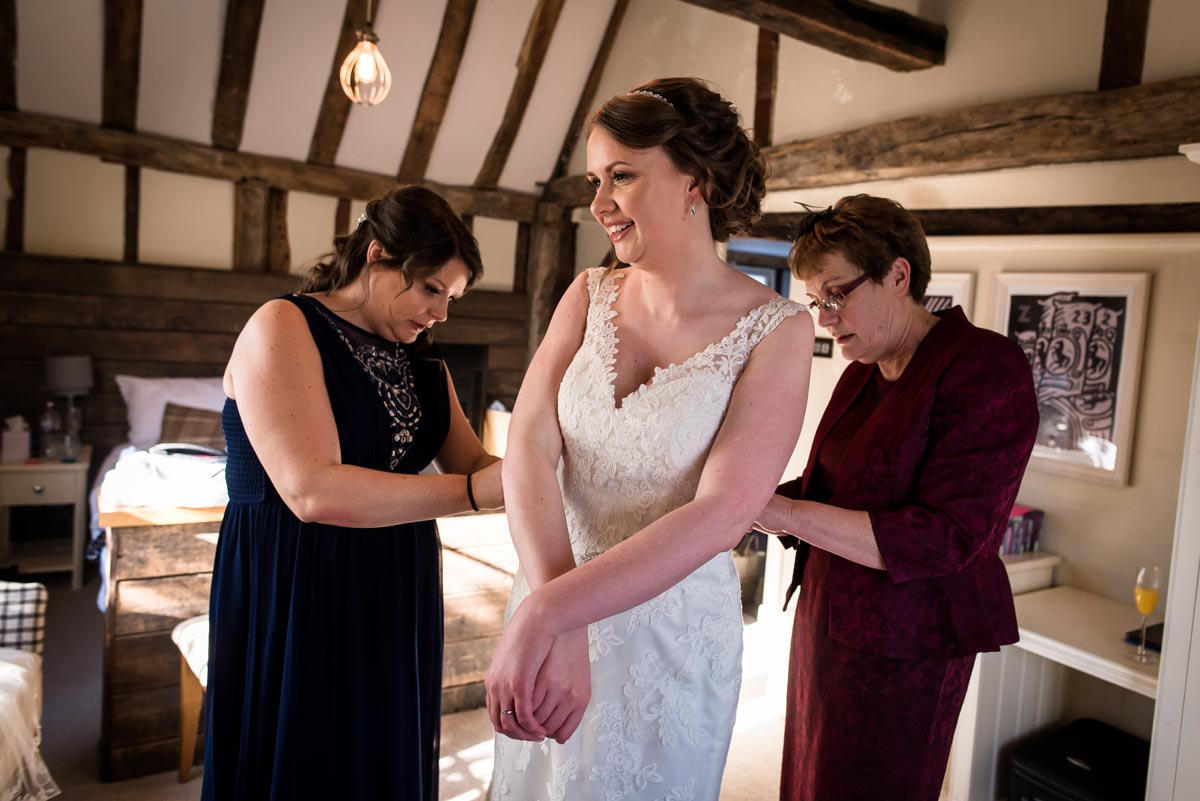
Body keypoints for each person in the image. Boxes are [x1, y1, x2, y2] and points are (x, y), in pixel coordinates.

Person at [485, 77, 814, 800]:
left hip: (667, 641)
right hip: (549, 586)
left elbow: (724, 512)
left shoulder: (778, 330)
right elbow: (531, 444)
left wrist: (552, 609)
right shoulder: (586, 294)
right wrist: (554, 609)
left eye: (622, 176)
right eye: (595, 179)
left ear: (693, 179)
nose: (599, 202)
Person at [201, 186, 503, 801]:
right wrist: (471, 493)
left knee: (378, 752)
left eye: (451, 298)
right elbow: (311, 491)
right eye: (431, 289)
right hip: (294, 577)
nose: (441, 313)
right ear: (377, 256)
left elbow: (476, 462)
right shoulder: (283, 324)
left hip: (394, 577)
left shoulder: (425, 364)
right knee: (306, 757)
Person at [753, 195, 1038, 801]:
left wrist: (775, 511)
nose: (825, 317)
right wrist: (730, 497)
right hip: (825, 624)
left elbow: (948, 537)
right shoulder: (863, 369)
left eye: (836, 294)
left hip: (908, 647)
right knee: (807, 782)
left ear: (898, 274)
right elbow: (819, 491)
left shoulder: (985, 366)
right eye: (815, 300)